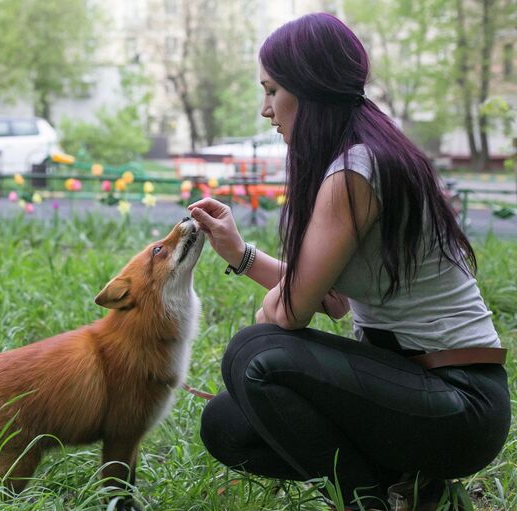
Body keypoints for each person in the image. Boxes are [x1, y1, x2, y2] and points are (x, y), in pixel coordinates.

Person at [190, 12, 509, 511]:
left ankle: (368, 502)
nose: (265, 109)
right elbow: (333, 301)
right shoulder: (356, 159)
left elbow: (292, 311)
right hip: (410, 391)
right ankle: (411, 485)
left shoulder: (356, 170)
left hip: (461, 402)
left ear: (308, 86)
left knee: (254, 353)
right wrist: (239, 254)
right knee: (228, 424)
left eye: (272, 91)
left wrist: (273, 311)